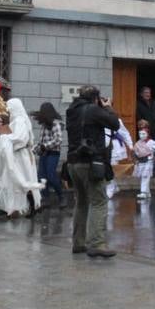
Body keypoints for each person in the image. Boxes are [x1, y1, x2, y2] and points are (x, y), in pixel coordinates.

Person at [65, 85, 122, 259]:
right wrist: (107, 107)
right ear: (95, 98)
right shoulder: (93, 110)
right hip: (91, 162)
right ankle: (97, 243)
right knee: (99, 202)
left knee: (81, 202)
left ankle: (78, 242)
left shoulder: (71, 111)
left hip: (73, 162)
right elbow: (114, 124)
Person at [0, 94, 44, 219]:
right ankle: (11, 208)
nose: (8, 110)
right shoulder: (18, 120)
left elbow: (20, 137)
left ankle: (32, 206)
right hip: (18, 154)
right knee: (14, 181)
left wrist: (4, 137)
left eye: (10, 108)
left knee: (22, 180)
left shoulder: (20, 121)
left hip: (21, 156)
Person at [34, 102, 65, 210]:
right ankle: (45, 199)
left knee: (51, 175)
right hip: (44, 154)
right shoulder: (44, 124)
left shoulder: (55, 124)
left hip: (53, 153)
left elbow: (58, 140)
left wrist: (44, 146)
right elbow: (41, 141)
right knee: (41, 176)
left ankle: (61, 196)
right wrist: (33, 149)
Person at [135, 85, 155, 173]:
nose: (148, 94)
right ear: (141, 94)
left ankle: (154, 171)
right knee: (145, 151)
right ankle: (146, 171)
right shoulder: (139, 104)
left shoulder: (154, 103)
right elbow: (138, 118)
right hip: (145, 133)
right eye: (146, 93)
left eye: (149, 93)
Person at [132, 120, 155, 201]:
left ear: (147, 133)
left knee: (145, 176)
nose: (141, 135)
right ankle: (147, 192)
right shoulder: (137, 143)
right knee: (143, 176)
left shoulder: (151, 142)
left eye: (143, 134)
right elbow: (135, 152)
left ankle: (143, 192)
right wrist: (135, 159)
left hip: (148, 161)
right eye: (140, 134)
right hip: (141, 162)